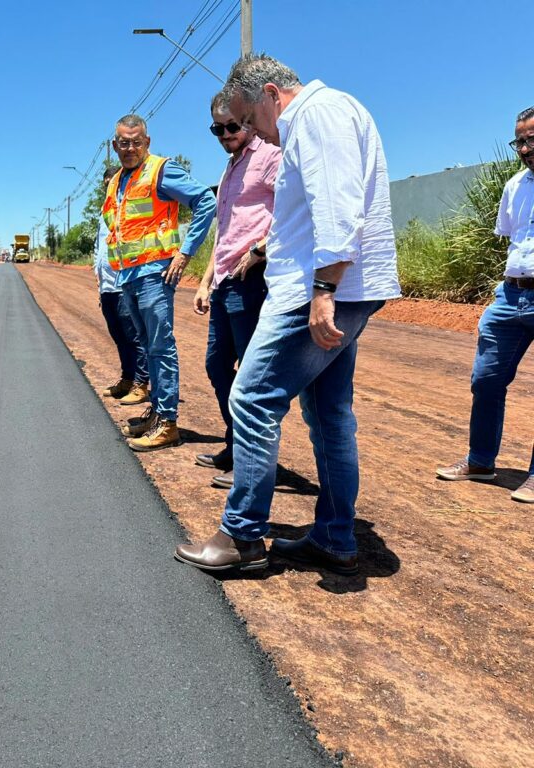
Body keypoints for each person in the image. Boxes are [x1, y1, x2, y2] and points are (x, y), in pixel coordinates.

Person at [174, 54, 400, 575]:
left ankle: (243, 537)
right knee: (329, 415)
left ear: (271, 94)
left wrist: (324, 289)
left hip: (316, 290)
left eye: (250, 119)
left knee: (251, 397)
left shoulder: (315, 115)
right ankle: (334, 538)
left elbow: (338, 205)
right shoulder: (331, 112)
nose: (253, 132)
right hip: (333, 286)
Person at [436, 107, 534, 504]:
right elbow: (512, 239)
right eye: (520, 141)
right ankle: (480, 461)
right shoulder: (514, 186)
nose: (525, 148)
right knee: (486, 379)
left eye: (532, 139)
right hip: (511, 294)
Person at [103, 114, 216, 451]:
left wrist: (184, 254)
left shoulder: (161, 170)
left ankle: (168, 423)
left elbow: (205, 201)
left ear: (147, 143)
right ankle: (158, 414)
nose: (131, 148)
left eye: (137, 141)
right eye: (124, 142)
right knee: (147, 345)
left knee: (161, 347)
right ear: (115, 146)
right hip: (128, 275)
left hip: (154, 274)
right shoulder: (118, 181)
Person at [193, 89, 281, 489]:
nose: (225, 133)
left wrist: (261, 250)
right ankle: (235, 444)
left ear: (247, 120)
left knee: (251, 378)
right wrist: (205, 278)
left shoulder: (268, 156)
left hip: (252, 282)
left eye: (232, 125)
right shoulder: (230, 167)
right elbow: (225, 230)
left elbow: (293, 208)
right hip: (225, 280)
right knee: (216, 365)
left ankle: (252, 467)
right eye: (217, 128)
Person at [94, 165, 151, 406]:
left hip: (124, 284)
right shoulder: (105, 212)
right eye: (107, 182)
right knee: (119, 336)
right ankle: (127, 378)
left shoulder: (136, 205)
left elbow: (144, 238)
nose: (111, 185)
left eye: (115, 181)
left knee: (134, 337)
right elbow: (100, 250)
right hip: (107, 286)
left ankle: (141, 383)